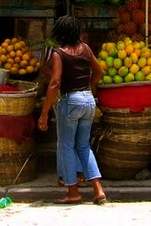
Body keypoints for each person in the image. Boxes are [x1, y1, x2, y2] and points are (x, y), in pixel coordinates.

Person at [37, 15, 107, 205]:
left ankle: (73, 192)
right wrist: (88, 87)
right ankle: (98, 190)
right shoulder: (85, 49)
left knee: (66, 145)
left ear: (59, 33)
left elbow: (54, 83)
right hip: (88, 100)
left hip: (71, 101)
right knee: (83, 146)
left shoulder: (59, 54)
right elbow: (99, 71)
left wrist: (44, 112)